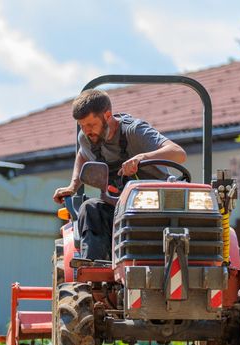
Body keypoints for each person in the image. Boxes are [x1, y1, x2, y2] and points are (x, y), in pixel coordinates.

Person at [53, 89, 186, 260]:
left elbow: (178, 153)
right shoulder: (86, 138)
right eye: (82, 126)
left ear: (107, 115)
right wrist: (73, 186)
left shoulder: (134, 131)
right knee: (90, 208)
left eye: (91, 125)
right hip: (117, 209)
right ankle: (94, 273)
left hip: (154, 209)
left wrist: (141, 157)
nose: (86, 131)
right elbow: (82, 155)